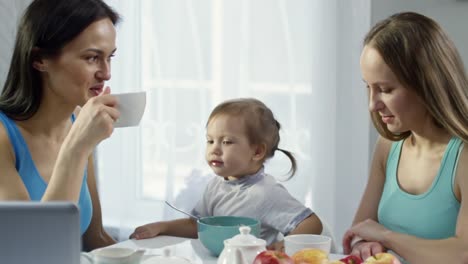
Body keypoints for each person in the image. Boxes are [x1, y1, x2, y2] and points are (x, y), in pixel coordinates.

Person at [342, 12, 468, 264]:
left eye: (385, 90)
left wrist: (385, 236)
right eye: (368, 87)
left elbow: (463, 253)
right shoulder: (388, 146)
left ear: (427, 84)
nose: (372, 104)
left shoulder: (463, 156)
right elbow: (360, 229)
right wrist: (365, 244)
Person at [0, 0, 121, 251]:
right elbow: (34, 253)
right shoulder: (4, 139)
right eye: (92, 58)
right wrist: (77, 147)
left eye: (109, 57)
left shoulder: (78, 122)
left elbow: (94, 240)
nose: (106, 73)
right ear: (40, 59)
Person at [130, 98, 323, 249]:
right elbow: (197, 227)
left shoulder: (267, 193)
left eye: (227, 142)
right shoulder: (216, 185)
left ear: (257, 152)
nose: (214, 149)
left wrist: (285, 246)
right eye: (210, 140)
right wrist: (160, 227)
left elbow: (312, 224)